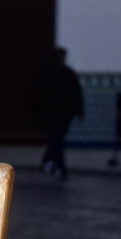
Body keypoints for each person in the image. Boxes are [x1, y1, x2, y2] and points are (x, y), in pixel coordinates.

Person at [32, 47, 83, 180]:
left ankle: (48, 161)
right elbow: (76, 93)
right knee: (56, 139)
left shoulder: (49, 73)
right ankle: (60, 165)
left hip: (56, 112)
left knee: (55, 139)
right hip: (61, 113)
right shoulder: (65, 73)